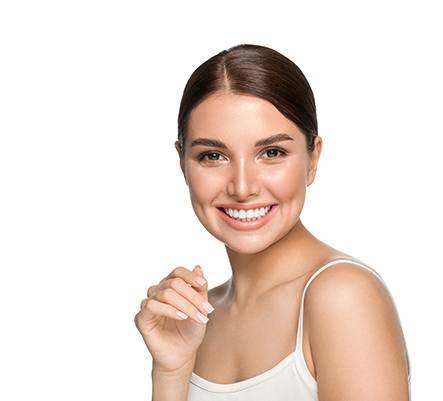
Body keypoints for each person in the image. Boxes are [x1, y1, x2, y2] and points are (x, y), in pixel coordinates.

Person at [134, 43, 411, 401]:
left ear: (313, 159)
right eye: (213, 156)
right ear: (182, 162)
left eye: (272, 153)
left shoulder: (342, 296)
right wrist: (170, 373)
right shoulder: (196, 319)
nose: (243, 187)